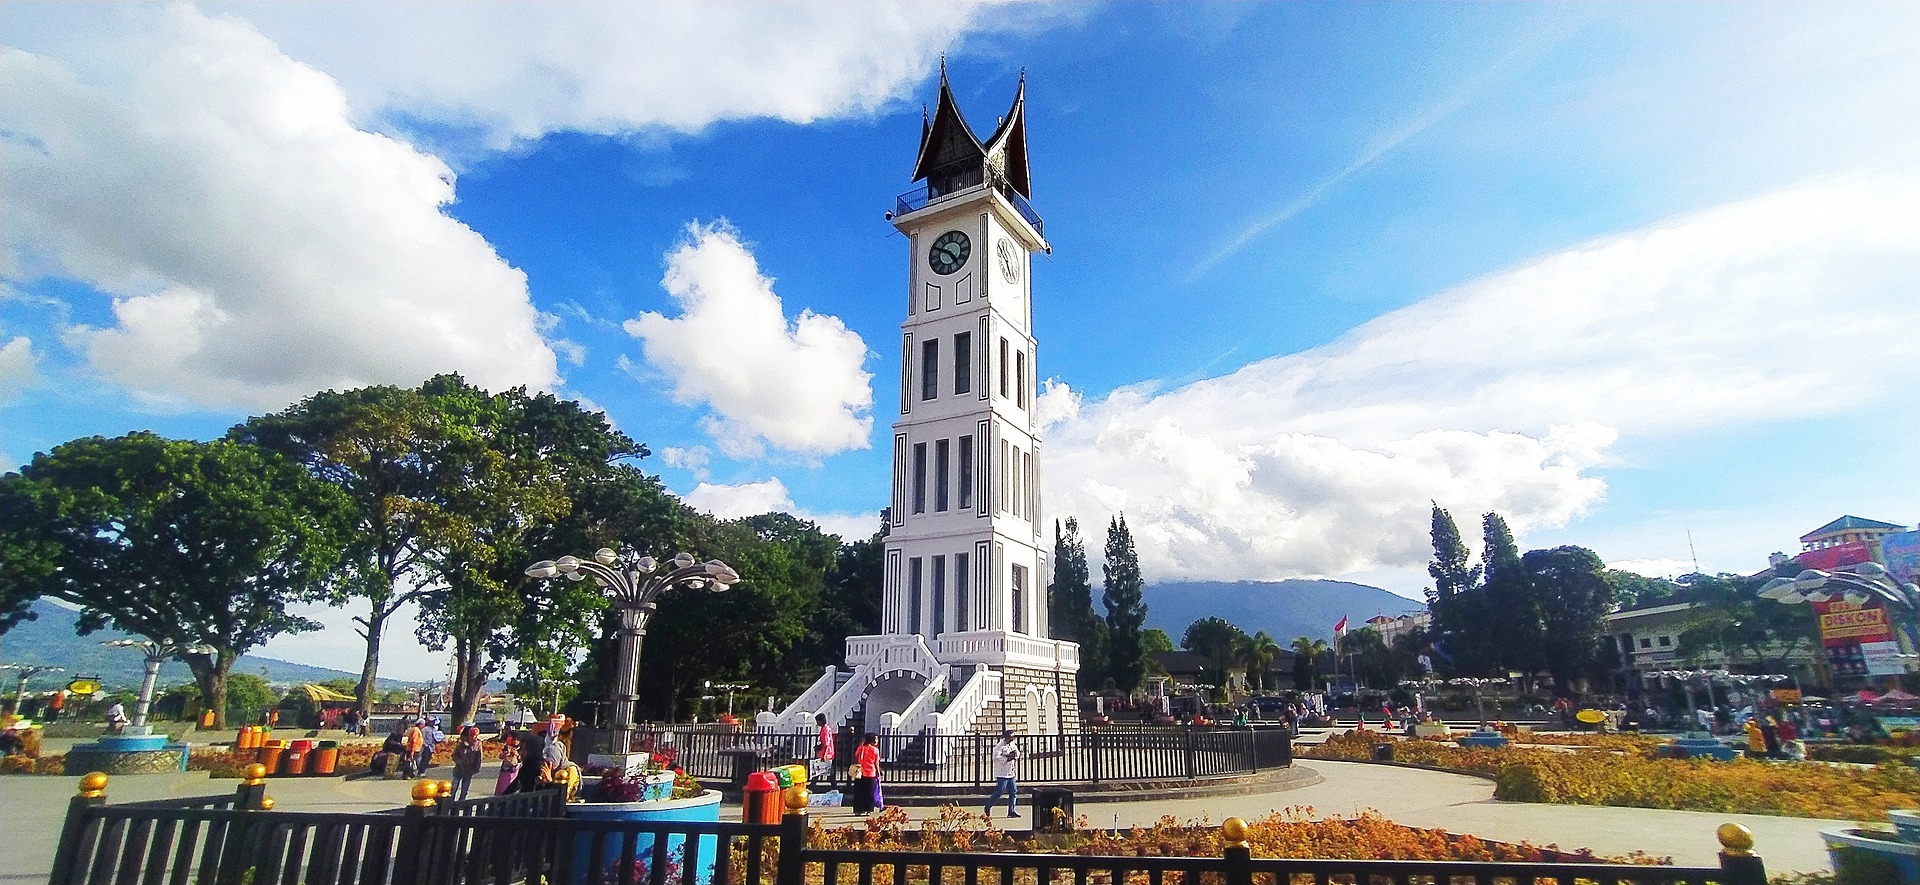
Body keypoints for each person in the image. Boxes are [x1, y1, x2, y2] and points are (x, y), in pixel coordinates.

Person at [984, 730, 1021, 819]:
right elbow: (995, 757)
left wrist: (1015, 756)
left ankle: (1011, 811)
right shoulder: (999, 746)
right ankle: (988, 806)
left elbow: (1017, 752)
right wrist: (1007, 758)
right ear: (1006, 737)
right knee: (1000, 791)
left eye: (1013, 737)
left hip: (1010, 772)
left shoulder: (1012, 744)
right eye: (1010, 737)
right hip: (1002, 772)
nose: (1012, 739)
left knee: (1013, 791)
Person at [450, 726, 484, 801]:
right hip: (459, 769)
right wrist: (459, 762)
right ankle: (450, 802)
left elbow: (479, 757)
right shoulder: (462, 743)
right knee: (454, 787)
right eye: (472, 735)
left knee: (465, 789)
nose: (474, 737)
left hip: (469, 770)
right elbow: (454, 755)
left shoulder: (478, 744)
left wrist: (476, 768)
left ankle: (461, 802)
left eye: (475, 735)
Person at [851, 733, 880, 816]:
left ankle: (858, 809)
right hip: (871, 773)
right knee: (869, 793)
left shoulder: (861, 748)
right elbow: (876, 763)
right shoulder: (875, 750)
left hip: (860, 772)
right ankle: (868, 809)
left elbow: (856, 755)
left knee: (859, 792)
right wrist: (878, 772)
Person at [494, 731, 521, 795]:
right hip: (506, 770)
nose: (516, 742)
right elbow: (501, 756)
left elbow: (521, 759)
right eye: (514, 740)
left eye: (517, 740)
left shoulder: (521, 748)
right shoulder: (507, 747)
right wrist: (506, 753)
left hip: (515, 771)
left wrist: (517, 755)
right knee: (502, 787)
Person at [814, 712, 837, 788]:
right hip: (827, 753)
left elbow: (826, 743)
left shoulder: (825, 730)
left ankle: (813, 785)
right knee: (824, 770)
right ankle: (834, 786)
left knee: (821, 770)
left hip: (825, 753)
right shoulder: (827, 728)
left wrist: (824, 755)